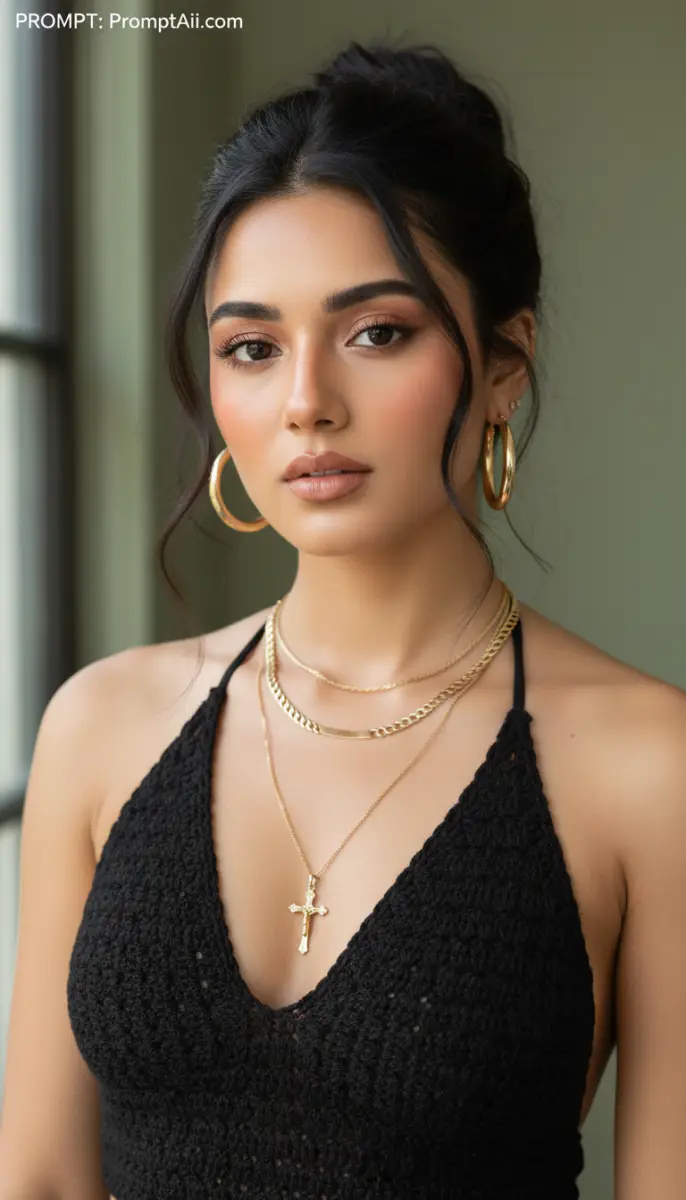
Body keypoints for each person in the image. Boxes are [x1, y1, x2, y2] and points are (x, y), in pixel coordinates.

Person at [1, 36, 685, 1200]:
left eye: (376, 333)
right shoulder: (101, 726)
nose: (305, 401)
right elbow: (41, 1181)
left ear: (503, 364)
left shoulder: (644, 765)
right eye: (252, 348)